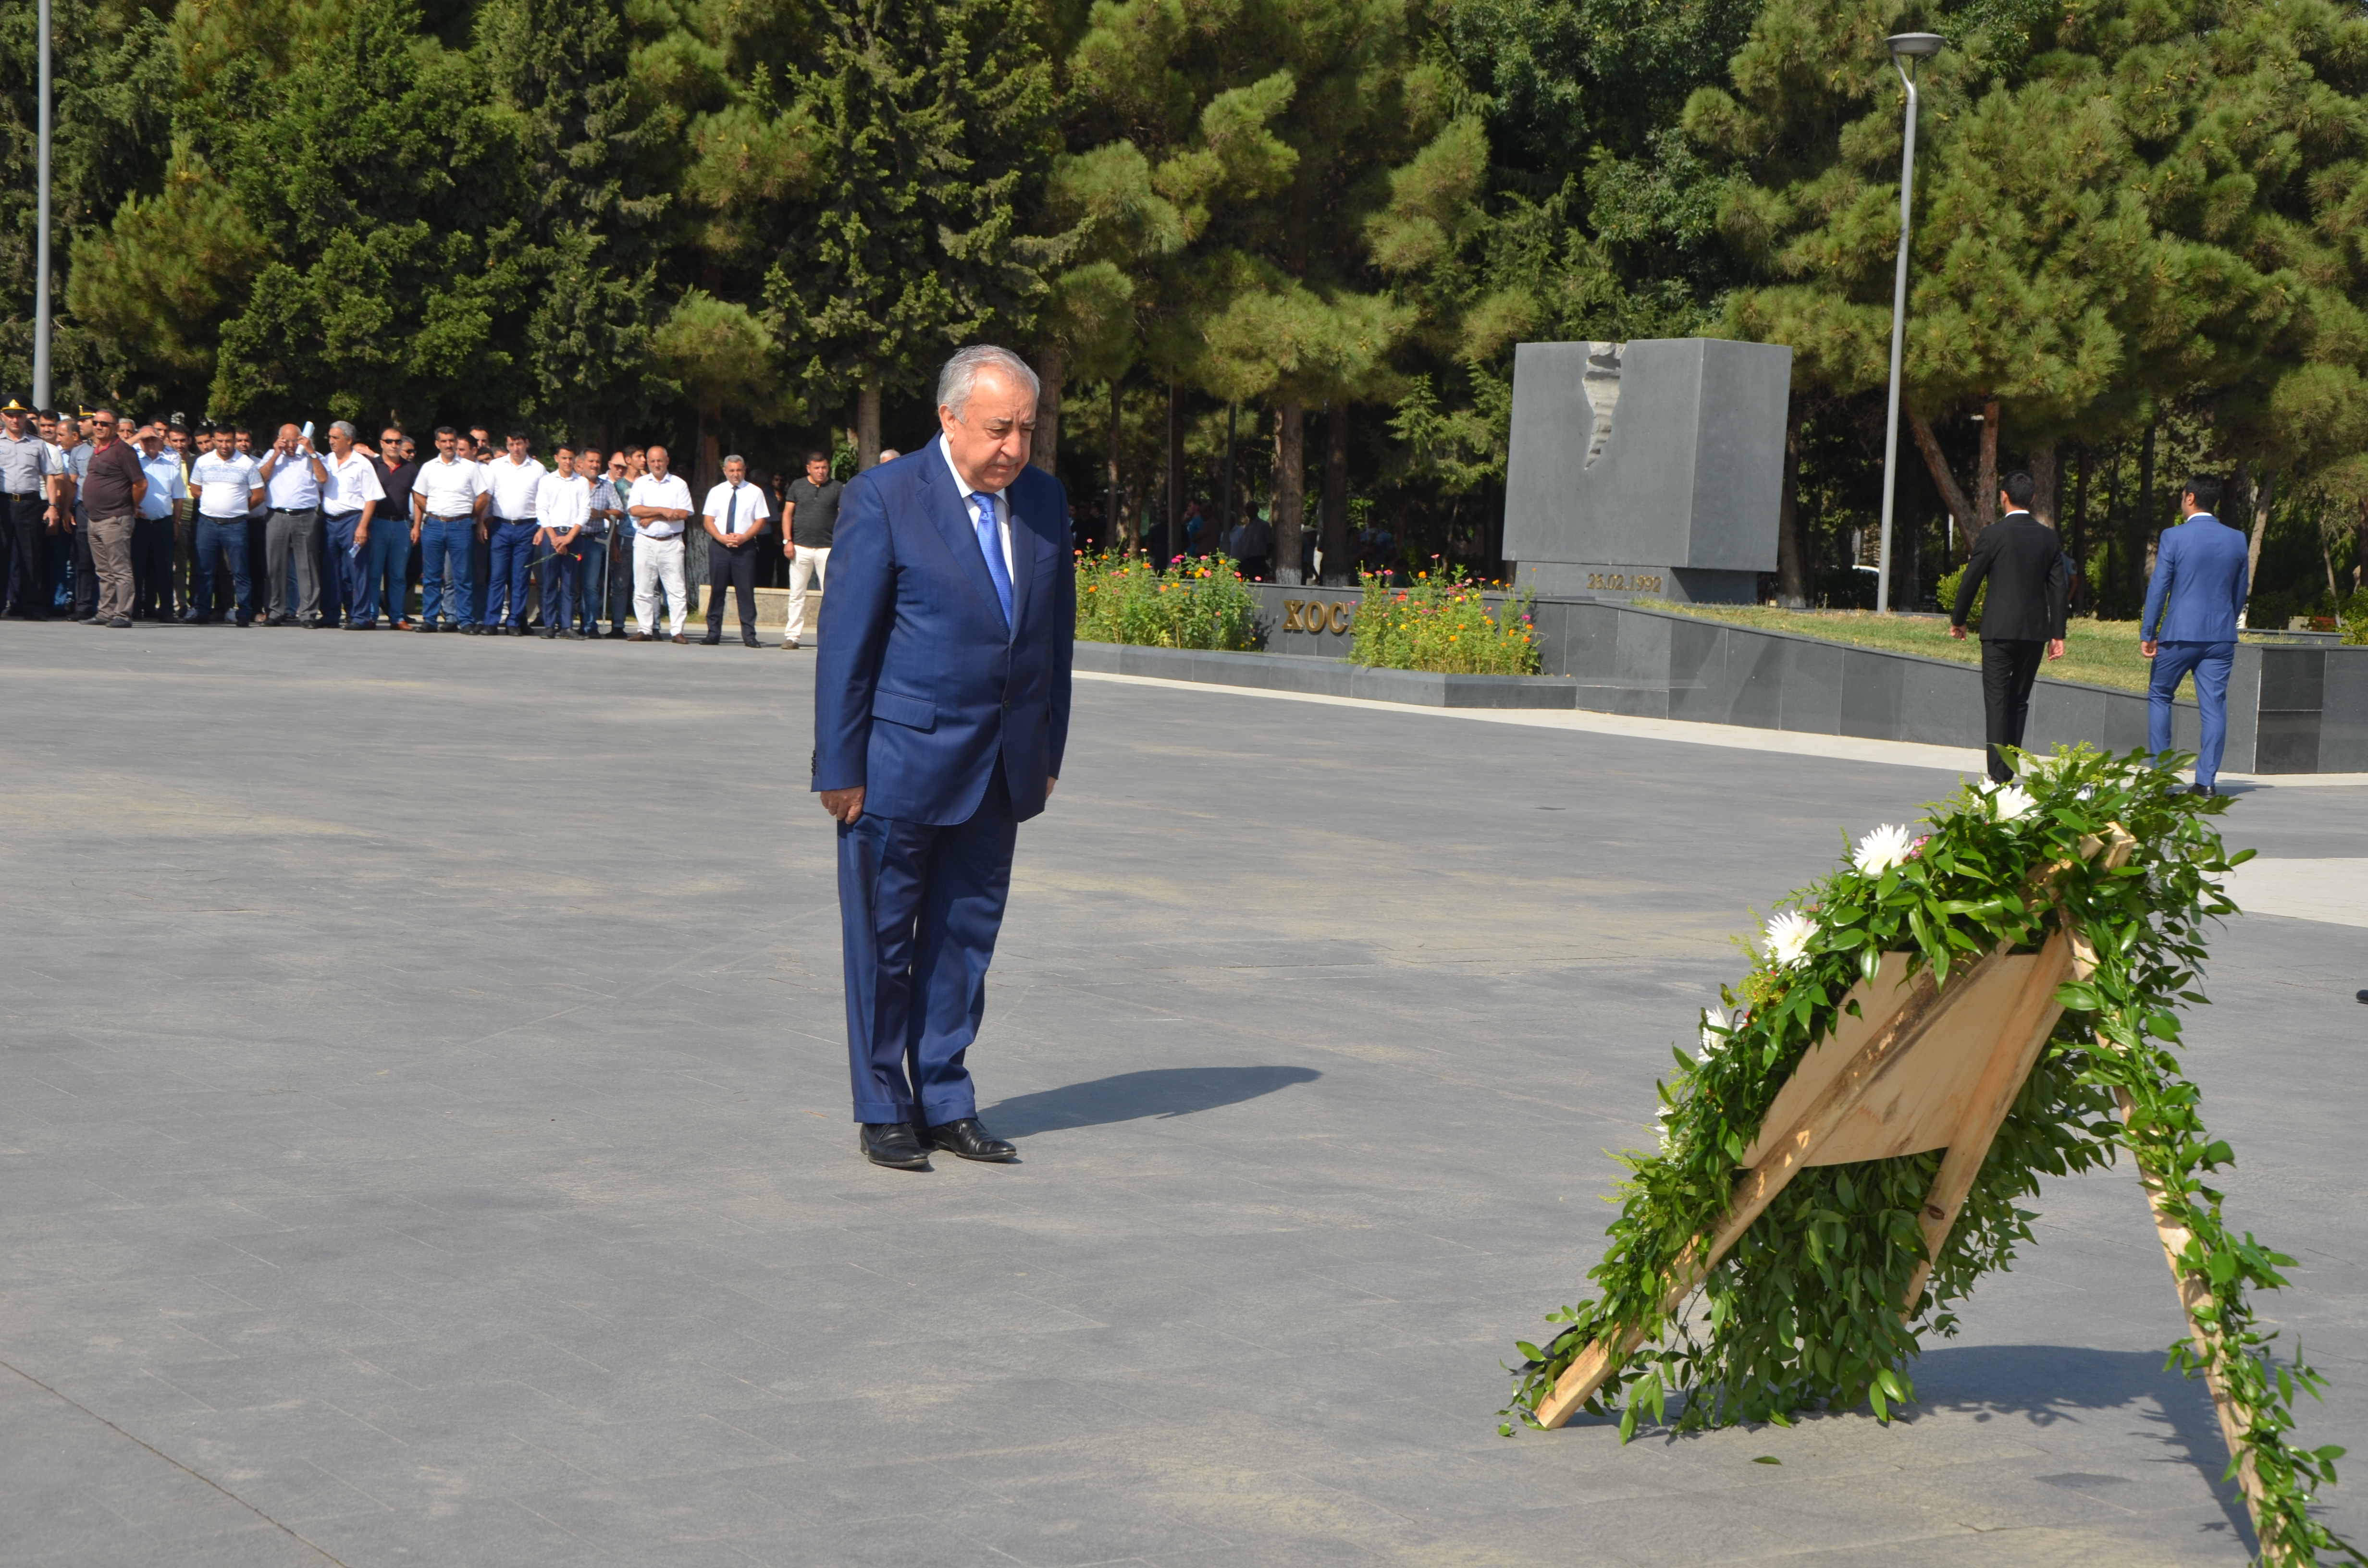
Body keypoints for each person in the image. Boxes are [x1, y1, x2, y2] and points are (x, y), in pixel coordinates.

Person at [815, 344, 1074, 1171]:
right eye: (999, 429)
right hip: (895, 765)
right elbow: (845, 644)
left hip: (1001, 768)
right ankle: (882, 1105)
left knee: (964, 943)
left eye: (1027, 430)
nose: (1014, 448)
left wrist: (1048, 749)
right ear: (948, 418)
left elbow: (1051, 640)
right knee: (884, 943)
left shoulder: (1042, 500)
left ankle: (946, 1098)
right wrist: (838, 763)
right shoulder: (885, 498)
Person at [1949, 469, 2069, 782]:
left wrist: (1959, 620)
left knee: (1997, 700)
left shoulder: (1993, 535)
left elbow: (1971, 579)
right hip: (2033, 634)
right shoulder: (2049, 538)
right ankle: (2009, 769)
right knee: (2019, 700)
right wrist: (2058, 634)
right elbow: (2059, 587)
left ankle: (1998, 775)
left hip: (1998, 632)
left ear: (2003, 496)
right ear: (2032, 498)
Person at [2142, 475, 2251, 796]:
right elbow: (2239, 592)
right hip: (2220, 636)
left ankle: (2161, 778)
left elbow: (2159, 586)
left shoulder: (2173, 536)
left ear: (2190, 498)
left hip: (2178, 634)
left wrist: (2149, 631)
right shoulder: (2237, 539)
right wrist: (2226, 623)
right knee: (2214, 707)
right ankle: (2206, 783)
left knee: (2161, 696)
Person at [75, 409, 148, 627]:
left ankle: (123, 614)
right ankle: (106, 612)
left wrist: (131, 506)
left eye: (104, 424)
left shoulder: (123, 451)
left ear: (115, 428)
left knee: (120, 568)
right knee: (103, 570)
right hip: (94, 518)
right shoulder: (97, 450)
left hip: (115, 518)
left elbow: (141, 483)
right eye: (96, 423)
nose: (99, 427)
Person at [411, 426, 487, 632]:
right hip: (434, 525)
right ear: (437, 444)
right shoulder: (428, 467)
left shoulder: (469, 467)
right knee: (432, 576)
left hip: (460, 526)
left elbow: (483, 496)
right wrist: (432, 511)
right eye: (444, 441)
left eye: (452, 440)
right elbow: (417, 494)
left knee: (463, 576)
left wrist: (470, 514)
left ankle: (465, 620)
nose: (448, 445)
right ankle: (430, 619)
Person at [187, 425, 263, 625]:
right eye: (220, 441)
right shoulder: (203, 462)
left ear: (234, 440)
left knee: (240, 571)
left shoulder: (247, 464)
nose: (224, 445)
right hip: (207, 524)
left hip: (236, 525)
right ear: (214, 440)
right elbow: (195, 488)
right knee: (204, 570)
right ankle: (202, 612)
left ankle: (244, 613)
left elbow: (259, 496)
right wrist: (211, 501)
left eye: (229, 441)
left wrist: (238, 507)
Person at [312, 421, 386, 629]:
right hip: (329, 521)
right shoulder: (327, 461)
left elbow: (371, 498)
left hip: (352, 521)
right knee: (330, 570)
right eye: (330, 437)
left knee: (357, 570)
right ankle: (330, 615)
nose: (331, 441)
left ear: (349, 440)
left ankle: (361, 617)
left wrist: (362, 527)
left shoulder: (362, 464)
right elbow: (319, 487)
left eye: (336, 437)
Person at [255, 424, 328, 626]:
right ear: (279, 439)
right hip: (277, 516)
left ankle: (308, 614)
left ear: (301, 439)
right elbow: (259, 478)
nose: (290, 445)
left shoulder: (313, 456)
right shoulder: (273, 454)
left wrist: (311, 452)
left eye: (294, 441)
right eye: (286, 441)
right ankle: (275, 611)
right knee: (275, 565)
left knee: (307, 567)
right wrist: (275, 455)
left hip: (305, 516)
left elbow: (323, 478)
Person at [477, 430, 545, 635]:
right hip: (501, 527)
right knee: (497, 576)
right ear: (507, 446)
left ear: (527, 444)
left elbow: (544, 501)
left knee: (520, 577)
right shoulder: (496, 466)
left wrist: (542, 528)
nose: (516, 449)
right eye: (511, 444)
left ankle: (514, 621)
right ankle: (491, 621)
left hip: (527, 527)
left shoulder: (538, 469)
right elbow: (486, 497)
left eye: (519, 444)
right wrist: (481, 523)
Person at [699, 453, 769, 647]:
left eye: (739, 470)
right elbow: (708, 520)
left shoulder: (755, 492)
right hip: (720, 547)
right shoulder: (716, 492)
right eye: (732, 471)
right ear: (725, 471)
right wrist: (721, 538)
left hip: (744, 548)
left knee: (745, 591)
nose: (736, 474)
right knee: (717, 590)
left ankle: (749, 634)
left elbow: (761, 520)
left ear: (744, 470)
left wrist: (744, 537)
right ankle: (713, 633)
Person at [626, 444, 693, 642]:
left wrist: (654, 516)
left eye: (660, 461)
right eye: (653, 461)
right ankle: (645, 629)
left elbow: (683, 513)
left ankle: (677, 631)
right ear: (648, 462)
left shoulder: (679, 484)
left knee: (676, 588)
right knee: (643, 587)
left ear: (667, 461)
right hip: (645, 541)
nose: (657, 464)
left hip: (671, 542)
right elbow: (635, 510)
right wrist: (663, 511)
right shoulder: (641, 483)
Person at [781, 449, 841, 650]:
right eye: (817, 468)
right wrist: (787, 541)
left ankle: (831, 635)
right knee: (797, 594)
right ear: (809, 468)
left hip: (828, 549)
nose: (821, 471)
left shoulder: (837, 488)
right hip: (800, 548)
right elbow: (788, 514)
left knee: (831, 595)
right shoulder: (797, 486)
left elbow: (843, 517)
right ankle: (793, 637)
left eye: (824, 467)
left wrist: (841, 545)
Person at [0, 399, 49, 620]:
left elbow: (49, 475)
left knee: (31, 556)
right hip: (2, 503)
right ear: (2, 417)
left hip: (30, 504)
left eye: (19, 415)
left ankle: (32, 605)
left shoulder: (37, 445)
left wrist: (54, 506)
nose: (15, 419)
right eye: (10, 415)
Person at [534, 442, 589, 639]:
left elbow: (585, 512)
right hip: (552, 536)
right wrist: (554, 537)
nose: (568, 462)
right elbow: (542, 510)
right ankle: (550, 625)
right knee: (549, 582)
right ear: (556, 458)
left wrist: (568, 538)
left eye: (571, 458)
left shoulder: (581, 482)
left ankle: (567, 625)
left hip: (572, 536)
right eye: (564, 458)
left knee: (569, 583)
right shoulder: (547, 481)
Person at [132, 423, 186, 621]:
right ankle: (136, 608)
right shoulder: (135, 462)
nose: (150, 443)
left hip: (163, 523)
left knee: (164, 569)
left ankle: (165, 610)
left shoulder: (170, 466)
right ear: (140, 441)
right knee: (137, 568)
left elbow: (179, 497)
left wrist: (177, 523)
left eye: (153, 439)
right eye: (145, 440)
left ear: (160, 440)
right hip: (139, 524)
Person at [370, 426, 419, 628]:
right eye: (389, 441)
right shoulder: (373, 466)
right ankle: (372, 615)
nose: (394, 445)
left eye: (398, 442)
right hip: (377, 523)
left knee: (398, 575)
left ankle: (397, 616)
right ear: (381, 443)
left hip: (401, 525)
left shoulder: (410, 469)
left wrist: (417, 525)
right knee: (374, 573)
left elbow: (417, 499)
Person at [56, 413, 95, 621]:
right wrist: (67, 510)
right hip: (82, 508)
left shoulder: (117, 450)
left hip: (108, 511)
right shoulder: (79, 451)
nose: (83, 425)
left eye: (86, 421)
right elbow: (72, 483)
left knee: (109, 563)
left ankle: (108, 607)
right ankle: (84, 606)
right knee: (83, 560)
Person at [592, 451, 632, 637]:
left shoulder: (615, 486)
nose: (620, 469)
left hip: (614, 536)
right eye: (617, 466)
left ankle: (617, 625)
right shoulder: (598, 480)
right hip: (595, 535)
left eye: (624, 467)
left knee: (618, 583)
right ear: (609, 464)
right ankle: (589, 621)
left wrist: (602, 513)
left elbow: (620, 512)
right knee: (594, 582)